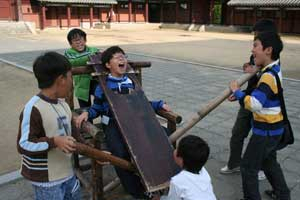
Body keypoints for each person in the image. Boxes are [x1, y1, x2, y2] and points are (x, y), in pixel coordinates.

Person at [76, 46, 171, 199]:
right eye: (117, 57)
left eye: (123, 56)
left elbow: (143, 102)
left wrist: (159, 104)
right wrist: (87, 112)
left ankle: (160, 180)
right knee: (119, 154)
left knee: (164, 137)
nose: (122, 59)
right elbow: (97, 107)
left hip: (136, 121)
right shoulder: (103, 86)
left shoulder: (131, 82)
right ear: (107, 65)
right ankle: (139, 191)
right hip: (113, 124)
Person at [230, 31, 290, 200]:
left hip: (265, 132)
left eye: (256, 45)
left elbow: (255, 104)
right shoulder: (273, 69)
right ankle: (283, 194)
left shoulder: (268, 77)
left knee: (248, 167)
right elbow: (262, 96)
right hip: (274, 130)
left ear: (268, 50)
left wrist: (238, 92)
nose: (252, 50)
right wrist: (242, 95)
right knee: (269, 163)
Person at [17, 52, 81, 200]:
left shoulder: (63, 104)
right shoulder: (33, 108)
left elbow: (74, 136)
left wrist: (94, 153)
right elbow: (24, 144)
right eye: (70, 76)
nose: (72, 81)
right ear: (61, 80)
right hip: (46, 180)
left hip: (67, 172)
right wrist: (54, 141)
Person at [220, 19, 278, 181]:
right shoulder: (256, 54)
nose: (253, 45)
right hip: (248, 100)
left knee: (262, 139)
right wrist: (241, 93)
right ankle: (234, 163)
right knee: (238, 132)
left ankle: (261, 167)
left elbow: (265, 81)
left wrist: (239, 92)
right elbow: (253, 79)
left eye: (257, 39)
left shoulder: (272, 59)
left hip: (264, 105)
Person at [153, 135, 217, 200]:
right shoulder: (204, 172)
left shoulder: (177, 181)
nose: (174, 150)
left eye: (177, 149)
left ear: (181, 159)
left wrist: (160, 198)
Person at [64, 28, 99, 108]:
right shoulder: (68, 53)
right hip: (81, 86)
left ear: (85, 40)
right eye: (75, 41)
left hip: (95, 82)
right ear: (70, 44)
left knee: (101, 102)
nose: (78, 42)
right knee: (85, 108)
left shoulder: (93, 49)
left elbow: (101, 56)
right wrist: (91, 57)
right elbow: (72, 62)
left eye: (80, 39)